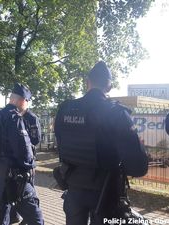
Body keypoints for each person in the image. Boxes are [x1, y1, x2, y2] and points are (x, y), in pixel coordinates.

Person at [54, 61, 148, 225]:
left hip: (73, 189)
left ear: (87, 82)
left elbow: (61, 148)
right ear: (109, 86)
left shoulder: (65, 109)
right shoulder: (116, 113)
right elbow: (138, 167)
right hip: (106, 193)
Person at [0, 83, 44, 225]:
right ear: (22, 100)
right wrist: (31, 167)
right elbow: (24, 152)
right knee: (36, 219)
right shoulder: (15, 118)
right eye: (27, 101)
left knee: (0, 215)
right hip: (14, 177)